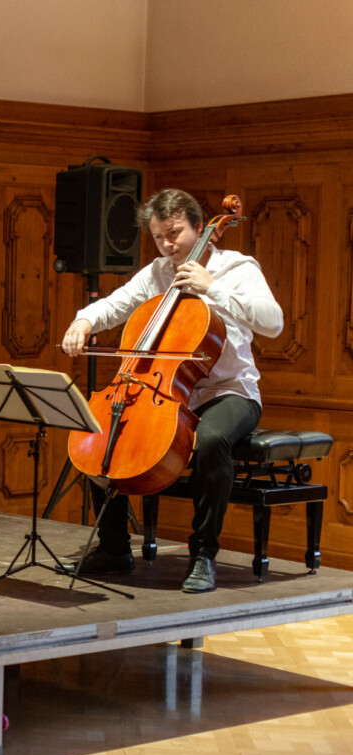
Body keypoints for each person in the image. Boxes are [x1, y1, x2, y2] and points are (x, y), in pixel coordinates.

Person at [60, 188, 283, 593]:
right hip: (169, 393)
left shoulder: (237, 268)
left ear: (200, 228)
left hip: (230, 391)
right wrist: (84, 321)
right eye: (159, 236)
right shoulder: (158, 271)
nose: (167, 245)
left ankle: (203, 554)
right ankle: (113, 549)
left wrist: (211, 287)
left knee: (212, 439)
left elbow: (273, 322)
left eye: (175, 233)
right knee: (100, 432)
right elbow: (117, 303)